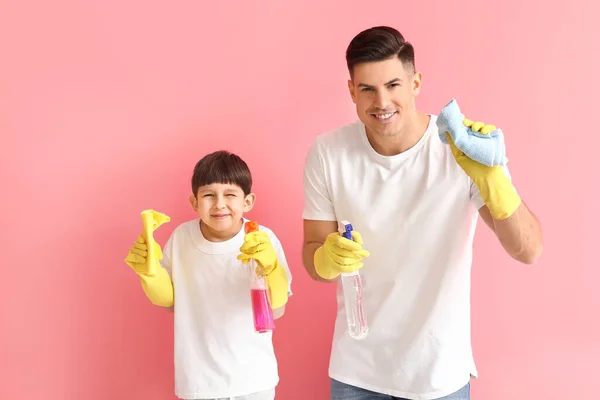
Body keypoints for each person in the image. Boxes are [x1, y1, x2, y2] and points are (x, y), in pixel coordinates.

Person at [301, 26, 543, 400]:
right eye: (367, 89)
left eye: (394, 85)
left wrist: (495, 181)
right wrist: (326, 258)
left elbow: (528, 250)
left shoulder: (461, 148)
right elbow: (312, 254)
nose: (382, 101)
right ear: (351, 90)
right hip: (356, 372)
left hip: (439, 373)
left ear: (415, 83)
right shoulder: (328, 152)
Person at [125, 150, 293, 400]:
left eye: (230, 195)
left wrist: (271, 268)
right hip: (198, 381)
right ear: (194, 202)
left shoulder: (262, 239)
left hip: (254, 378)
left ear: (247, 202)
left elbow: (277, 309)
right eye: (208, 195)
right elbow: (170, 301)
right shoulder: (182, 238)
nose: (219, 204)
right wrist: (149, 272)